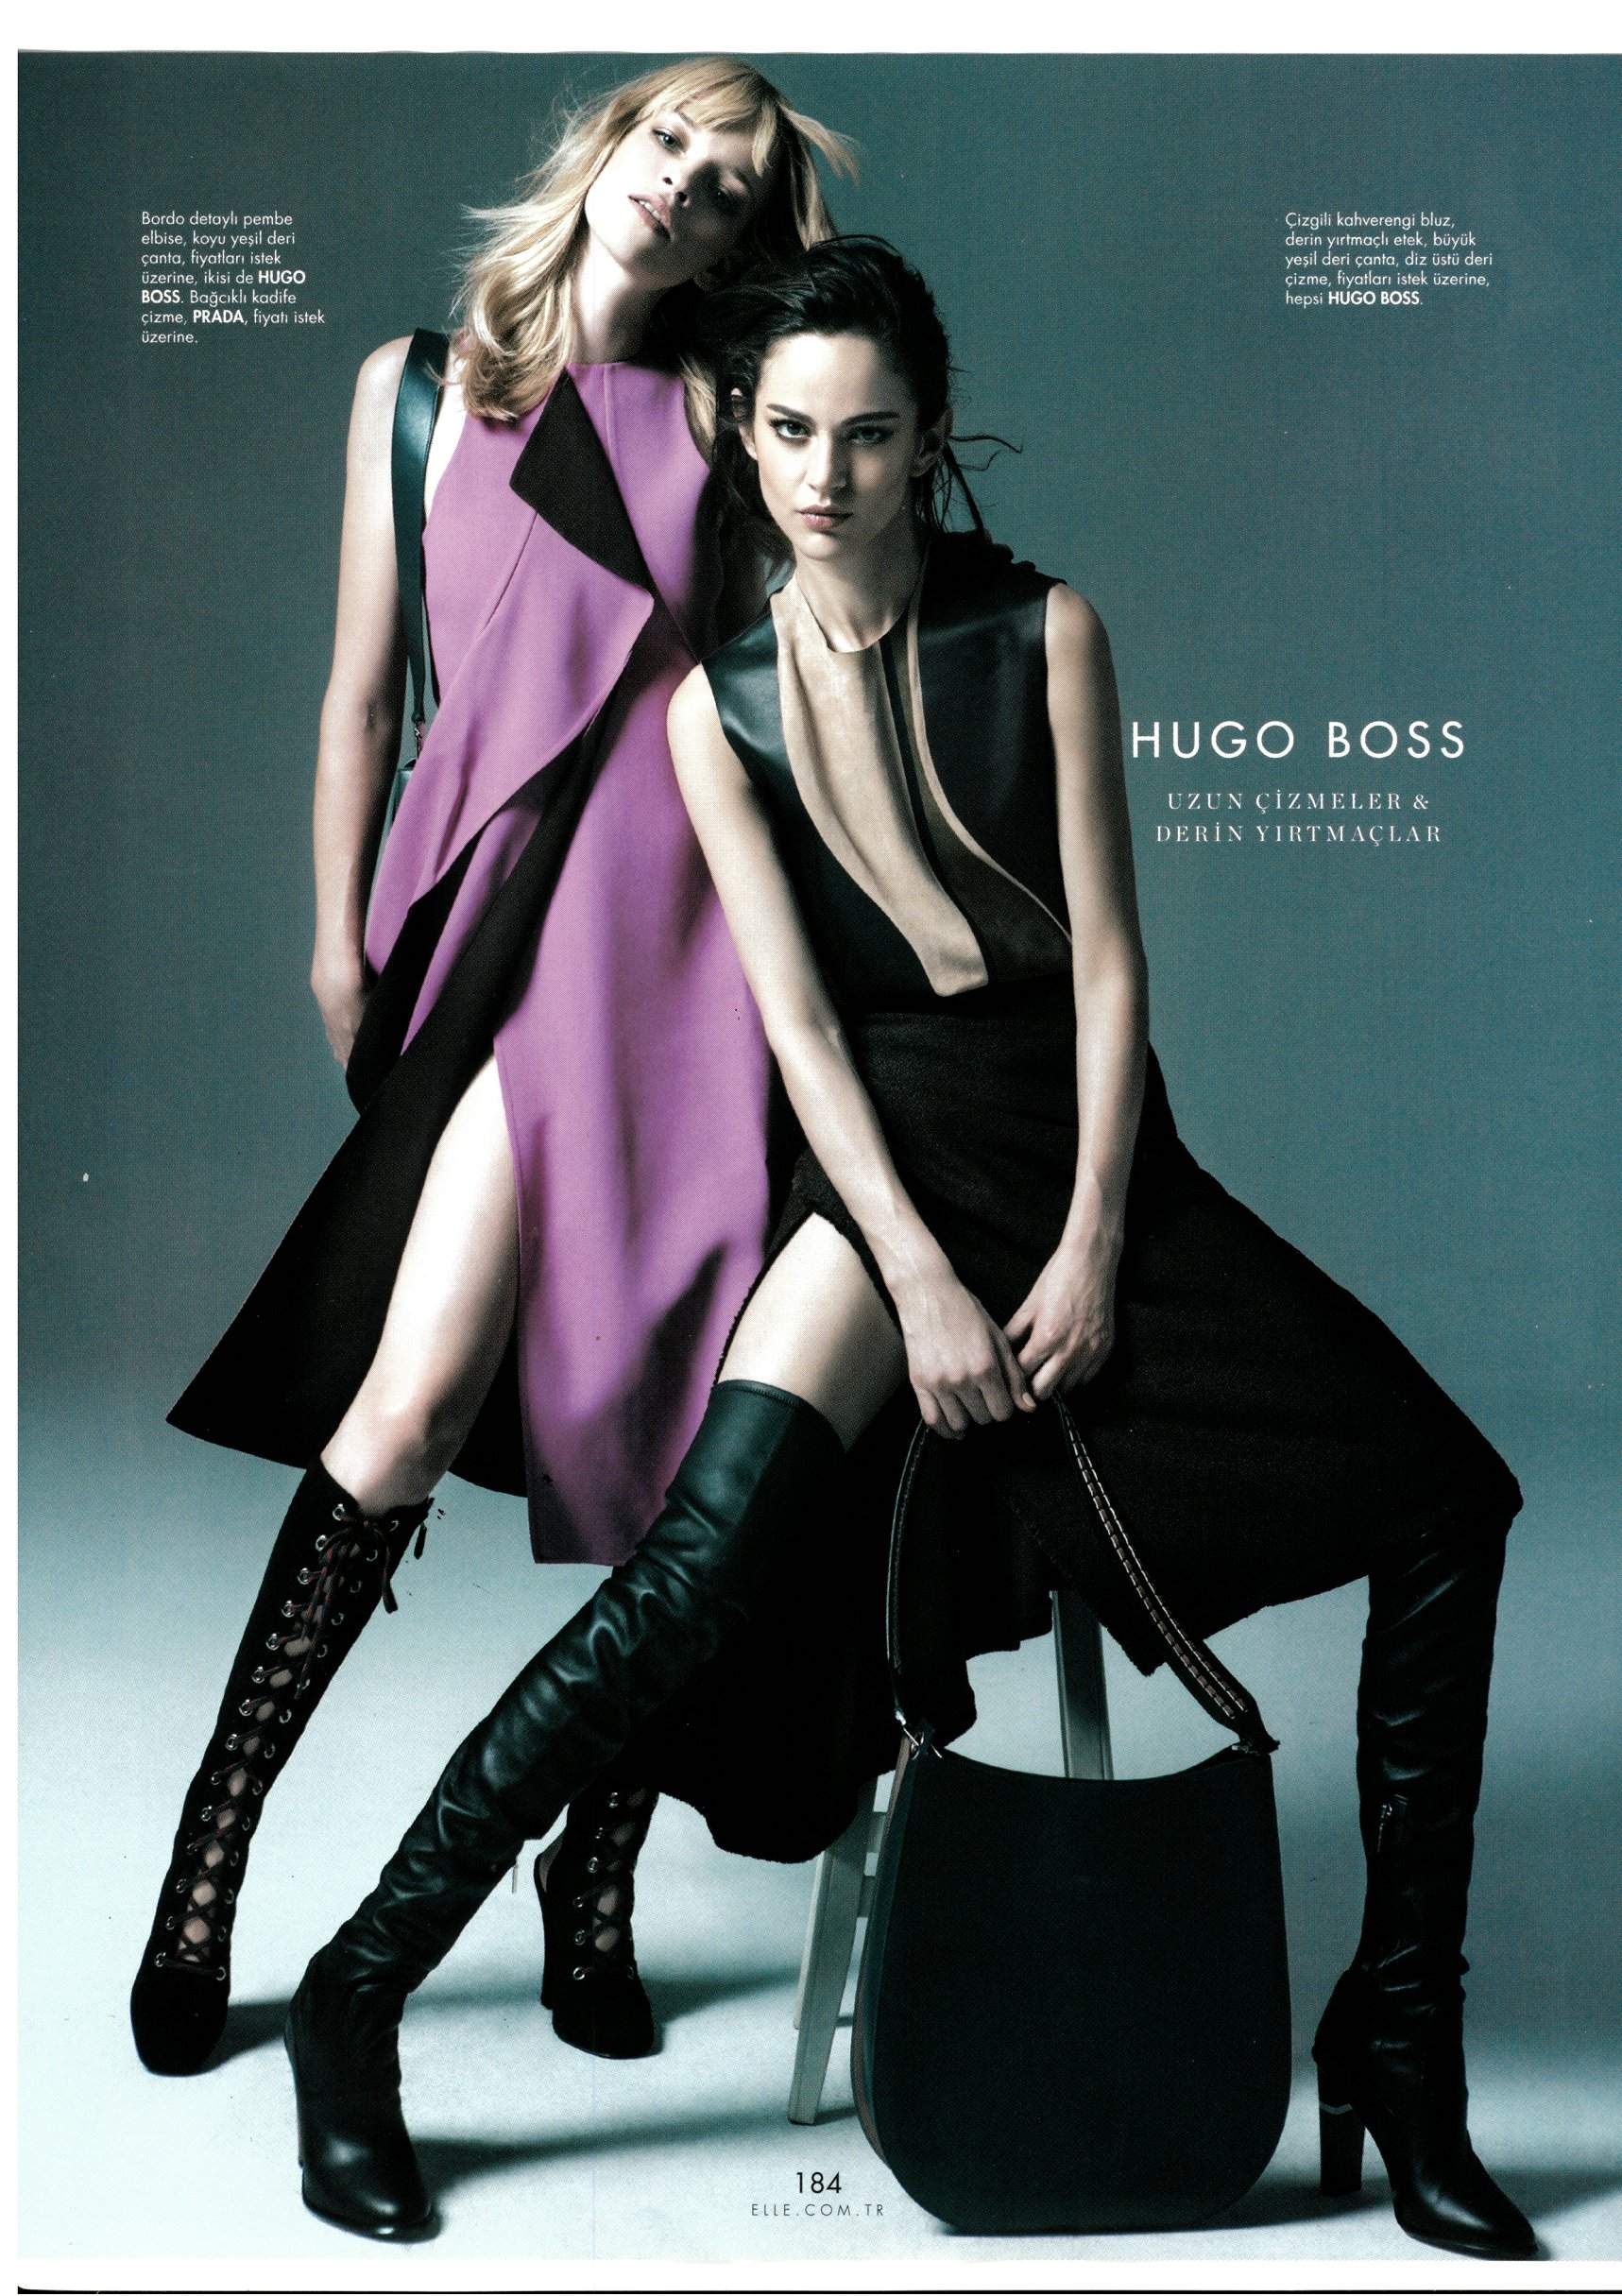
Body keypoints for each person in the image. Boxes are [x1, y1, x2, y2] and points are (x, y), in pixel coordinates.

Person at [279, 239, 1535, 2262]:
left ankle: (1401, 2038)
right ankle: (361, 1991)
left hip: (1079, 1149)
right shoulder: (716, 711)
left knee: (1450, 1499)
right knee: (694, 1569)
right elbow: (798, 1032)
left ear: (927, 436)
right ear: (748, 441)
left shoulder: (1043, 631)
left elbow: (1110, 967)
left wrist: (1097, 1241)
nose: (824, 475)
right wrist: (920, 1273)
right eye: (788, 433)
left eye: (867, 436)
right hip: (880, 1169)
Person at [129, 59, 853, 2082]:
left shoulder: (727, 417)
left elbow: (794, 692)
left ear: (742, 241)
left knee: (666, 1431)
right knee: (407, 1406)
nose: (685, 186)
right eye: (669, 140)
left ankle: (589, 1882)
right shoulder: (415, 392)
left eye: (731, 184)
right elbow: (364, 698)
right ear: (606, 146)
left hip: (689, 958)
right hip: (491, 943)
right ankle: (205, 1871)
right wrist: (336, 941)